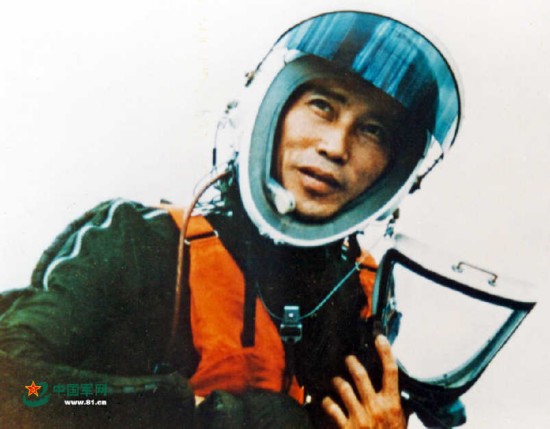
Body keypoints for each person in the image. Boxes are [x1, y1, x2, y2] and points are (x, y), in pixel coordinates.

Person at [0, 10, 460, 429]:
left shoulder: (366, 299)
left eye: (372, 130)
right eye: (322, 106)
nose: (336, 147)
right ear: (273, 108)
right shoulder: (142, 243)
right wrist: (205, 416)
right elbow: (22, 390)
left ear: (393, 167)